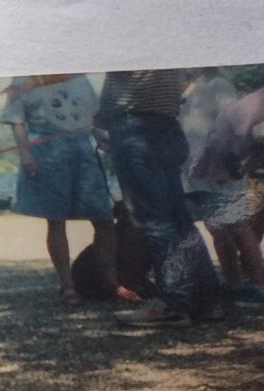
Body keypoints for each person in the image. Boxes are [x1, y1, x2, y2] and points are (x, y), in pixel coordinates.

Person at [96, 69, 224, 327]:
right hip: (166, 127)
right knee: (180, 220)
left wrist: (104, 118)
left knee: (155, 223)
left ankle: (174, 303)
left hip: (136, 128)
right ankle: (206, 301)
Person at [1, 74, 133, 306]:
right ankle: (67, 285)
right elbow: (17, 121)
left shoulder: (78, 76)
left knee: (104, 220)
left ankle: (112, 283)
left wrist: (101, 137)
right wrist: (25, 153)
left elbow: (93, 117)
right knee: (56, 220)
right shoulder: (23, 78)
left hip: (83, 150)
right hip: (47, 152)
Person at [182, 68, 264, 309]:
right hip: (198, 171)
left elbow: (235, 125)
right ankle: (233, 284)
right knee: (217, 231)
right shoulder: (191, 89)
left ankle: (258, 285)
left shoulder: (219, 84)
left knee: (237, 226)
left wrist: (227, 164)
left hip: (220, 169)